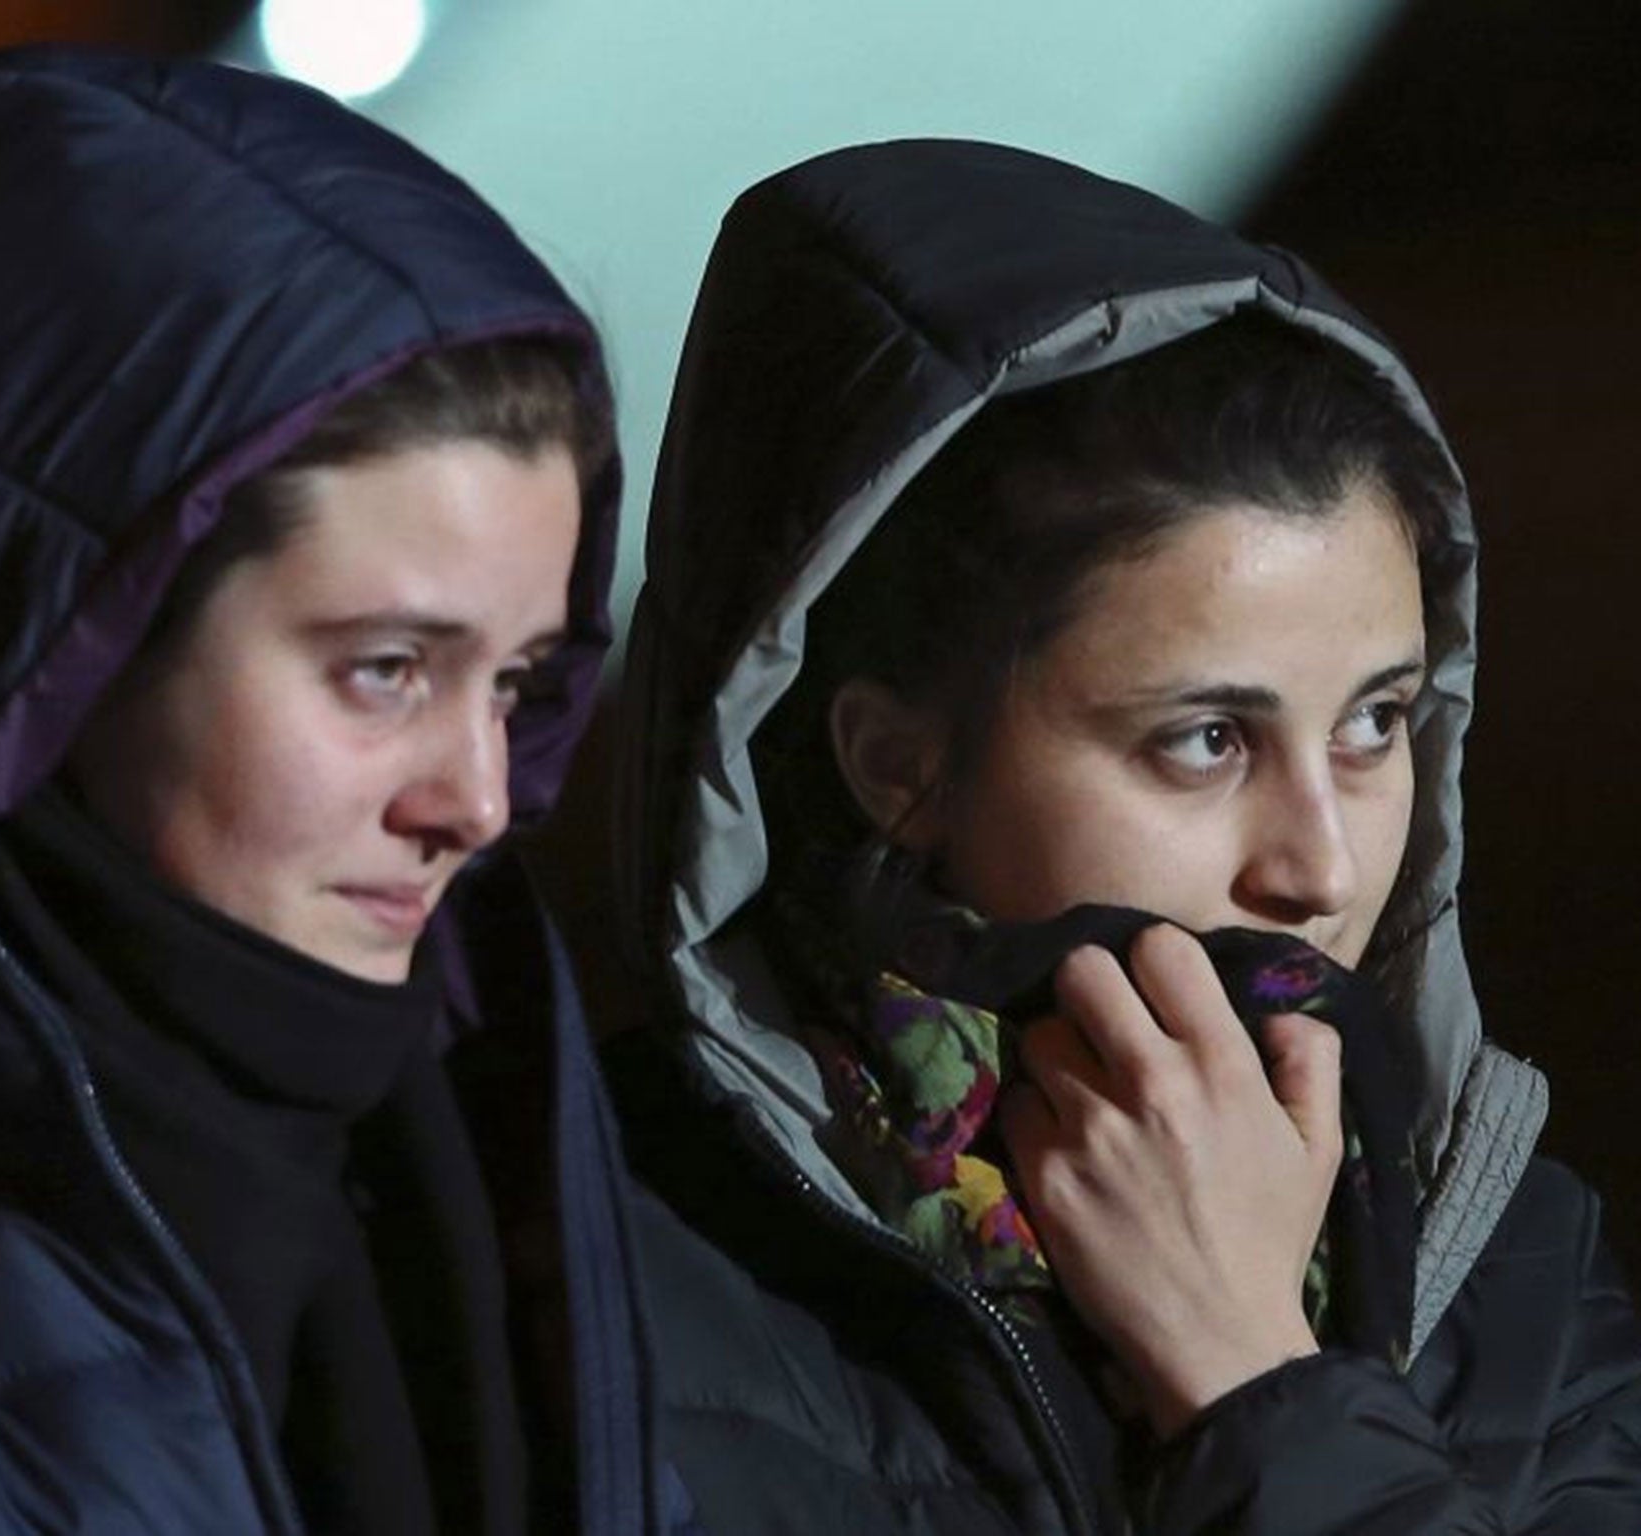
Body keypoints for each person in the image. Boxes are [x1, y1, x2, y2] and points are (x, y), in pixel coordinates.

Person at [0, 45, 676, 1535]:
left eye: (515, 684)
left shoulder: (499, 1156)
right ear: (64, 647)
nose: (478, 801)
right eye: (385, 671)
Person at [609, 139, 1641, 1532]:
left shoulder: (1517, 1278)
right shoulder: (596, 1253)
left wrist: (1251, 1373)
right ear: (898, 765)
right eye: (1207, 741)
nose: (1321, 869)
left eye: (1377, 725)